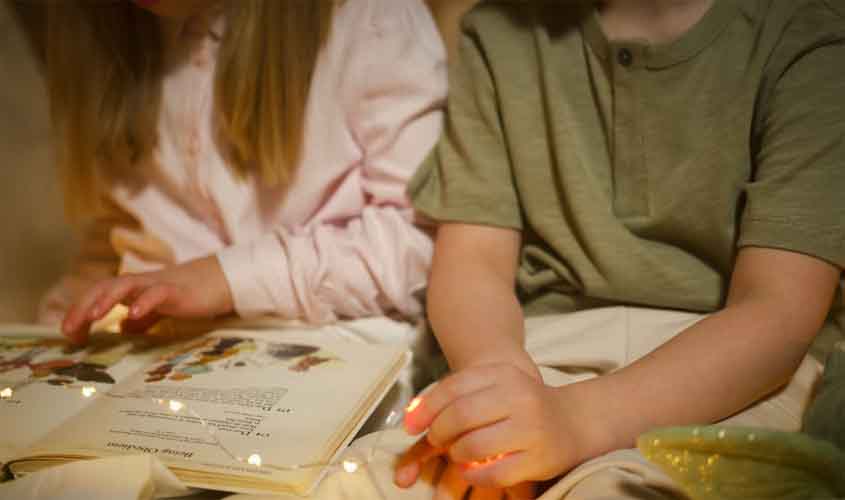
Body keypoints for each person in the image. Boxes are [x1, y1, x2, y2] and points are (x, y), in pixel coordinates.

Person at [384, 0, 844, 499]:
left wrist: (575, 421)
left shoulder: (809, 33)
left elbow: (777, 313)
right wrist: (499, 398)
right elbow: (472, 262)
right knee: (373, 477)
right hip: (537, 351)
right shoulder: (499, 31)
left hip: (733, 376)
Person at [36, 0, 447, 345]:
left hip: (332, 353)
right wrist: (66, 314)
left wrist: (227, 278)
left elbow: (421, 248)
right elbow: (121, 229)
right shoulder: (107, 35)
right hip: (160, 358)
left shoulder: (370, 19)